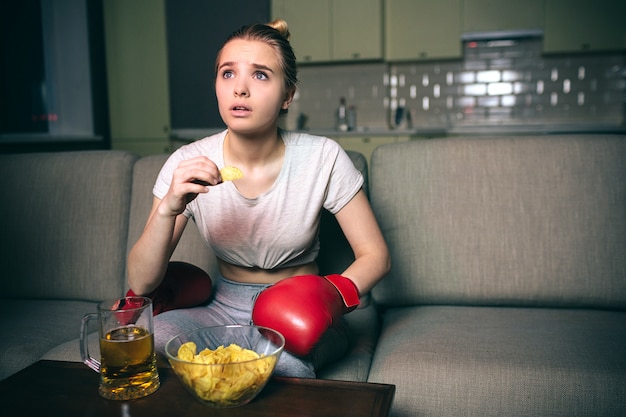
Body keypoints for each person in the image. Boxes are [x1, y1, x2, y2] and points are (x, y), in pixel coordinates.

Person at [127, 19, 390, 378]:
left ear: (287, 95)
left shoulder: (322, 157)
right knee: (151, 344)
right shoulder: (186, 163)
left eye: (261, 75)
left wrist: (328, 297)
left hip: (301, 310)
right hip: (223, 306)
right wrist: (168, 210)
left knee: (277, 369)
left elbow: (375, 255)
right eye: (228, 74)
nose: (241, 89)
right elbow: (141, 284)